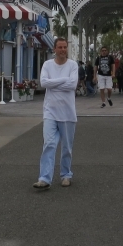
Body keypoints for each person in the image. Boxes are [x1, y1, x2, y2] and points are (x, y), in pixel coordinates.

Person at [34, 37, 78, 190]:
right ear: (54, 49)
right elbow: (44, 83)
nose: (63, 50)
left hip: (67, 113)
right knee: (49, 144)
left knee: (67, 147)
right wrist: (64, 80)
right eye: (60, 47)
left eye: (65, 47)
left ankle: (66, 174)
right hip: (50, 112)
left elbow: (72, 85)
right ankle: (44, 178)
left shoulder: (73, 65)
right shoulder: (47, 65)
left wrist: (54, 84)